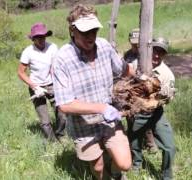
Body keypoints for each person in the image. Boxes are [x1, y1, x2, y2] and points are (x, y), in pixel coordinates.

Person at [52, 4, 133, 180]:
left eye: (94, 30)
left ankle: (116, 173)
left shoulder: (104, 46)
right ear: (72, 30)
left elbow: (122, 69)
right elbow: (65, 104)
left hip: (109, 121)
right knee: (97, 167)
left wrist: (142, 76)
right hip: (84, 127)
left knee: (124, 163)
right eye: (85, 32)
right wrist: (102, 108)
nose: (91, 36)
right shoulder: (62, 59)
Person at [127, 37, 176, 180]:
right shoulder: (136, 64)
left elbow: (169, 98)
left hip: (156, 113)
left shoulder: (167, 74)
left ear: (164, 55)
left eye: (161, 52)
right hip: (136, 111)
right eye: (155, 50)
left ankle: (166, 175)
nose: (156, 55)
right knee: (134, 140)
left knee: (169, 147)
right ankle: (136, 165)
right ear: (149, 50)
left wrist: (159, 97)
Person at [18, 22, 66, 142]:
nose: (41, 39)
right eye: (38, 37)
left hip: (52, 84)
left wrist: (58, 82)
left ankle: (60, 134)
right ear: (33, 39)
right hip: (36, 87)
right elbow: (21, 72)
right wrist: (34, 86)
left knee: (62, 112)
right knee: (45, 120)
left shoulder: (53, 47)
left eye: (43, 36)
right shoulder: (28, 52)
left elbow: (55, 66)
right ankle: (53, 142)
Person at [123, 28, 158, 153]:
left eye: (138, 44)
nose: (135, 46)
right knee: (130, 116)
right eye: (133, 44)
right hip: (130, 89)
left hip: (143, 90)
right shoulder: (127, 55)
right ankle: (133, 140)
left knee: (144, 116)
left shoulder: (147, 55)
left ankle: (150, 143)